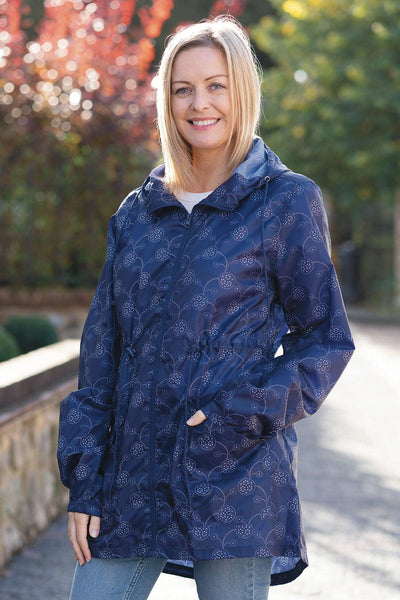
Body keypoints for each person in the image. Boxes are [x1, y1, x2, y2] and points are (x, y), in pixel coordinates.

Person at [58, 15, 354, 600]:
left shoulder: (285, 201)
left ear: (242, 91)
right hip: (130, 478)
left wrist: (237, 415)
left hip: (234, 477)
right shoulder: (137, 213)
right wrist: (85, 480)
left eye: (216, 85)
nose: (200, 103)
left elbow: (325, 340)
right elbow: (101, 356)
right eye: (183, 88)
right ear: (166, 100)